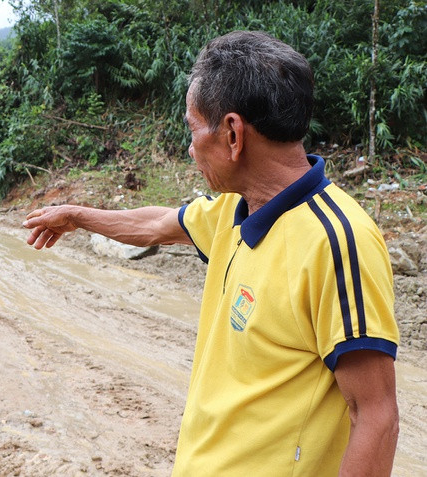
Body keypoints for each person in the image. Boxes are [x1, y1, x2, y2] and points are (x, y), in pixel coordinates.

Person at [23, 31, 399, 476]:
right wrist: (78, 216)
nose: (189, 147)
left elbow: (377, 418)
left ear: (233, 134)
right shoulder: (233, 212)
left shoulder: (336, 242)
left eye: (192, 129)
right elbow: (156, 225)